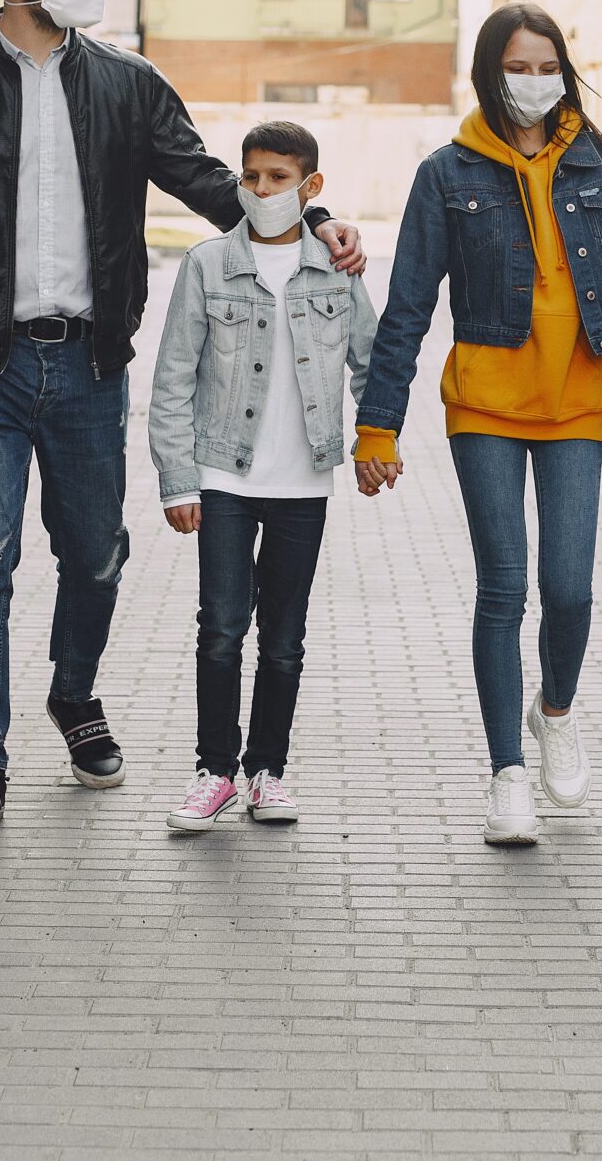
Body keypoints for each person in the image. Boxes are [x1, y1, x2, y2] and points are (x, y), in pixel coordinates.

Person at [0, 0, 363, 842]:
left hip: (91, 365)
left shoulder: (127, 85)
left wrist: (310, 219)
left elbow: (210, 182)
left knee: (95, 556)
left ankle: (74, 693)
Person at [354, 3, 602, 847]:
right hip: (485, 402)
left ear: (565, 73)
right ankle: (506, 775)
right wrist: (378, 424)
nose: (535, 82)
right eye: (519, 66)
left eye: (548, 67)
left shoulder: (600, 165)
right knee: (504, 587)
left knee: (569, 588)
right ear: (490, 73)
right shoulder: (445, 172)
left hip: (578, 400)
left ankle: (555, 709)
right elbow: (409, 306)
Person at [146, 120, 376, 833]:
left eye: (278, 177)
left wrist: (377, 439)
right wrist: (178, 479)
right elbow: (172, 378)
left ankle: (266, 771)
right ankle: (214, 770)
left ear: (311, 187)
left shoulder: (336, 268)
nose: (261, 189)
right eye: (251, 176)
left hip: (303, 482)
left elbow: (373, 363)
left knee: (284, 636)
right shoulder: (208, 264)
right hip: (224, 477)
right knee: (220, 626)